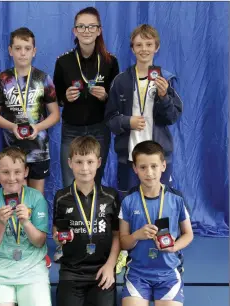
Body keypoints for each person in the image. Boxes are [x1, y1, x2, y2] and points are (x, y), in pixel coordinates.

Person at [105, 24, 183, 196]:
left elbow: (172, 117)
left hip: (158, 157)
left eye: (149, 44)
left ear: (157, 47)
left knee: (160, 204)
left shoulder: (166, 78)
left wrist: (164, 98)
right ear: (132, 49)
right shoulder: (121, 81)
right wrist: (127, 121)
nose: (144, 49)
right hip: (129, 157)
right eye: (139, 45)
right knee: (128, 204)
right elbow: (109, 118)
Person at [119, 140, 193, 306]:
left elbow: (188, 234)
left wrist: (175, 246)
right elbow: (123, 242)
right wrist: (137, 235)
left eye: (154, 166)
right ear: (135, 169)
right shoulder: (128, 201)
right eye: (143, 167)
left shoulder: (176, 200)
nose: (149, 172)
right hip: (137, 274)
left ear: (163, 166)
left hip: (168, 273)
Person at [53, 6, 119, 187]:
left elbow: (117, 100)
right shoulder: (63, 61)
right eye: (81, 26)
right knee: (69, 180)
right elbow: (55, 97)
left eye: (91, 26)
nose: (86, 31)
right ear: (75, 30)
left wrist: (105, 96)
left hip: (99, 128)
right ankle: (71, 216)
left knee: (94, 179)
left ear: (99, 30)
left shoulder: (110, 61)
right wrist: (64, 96)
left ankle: (92, 215)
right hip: (71, 129)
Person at [0, 27, 60, 194]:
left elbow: (55, 114)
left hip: (38, 150)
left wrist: (38, 127)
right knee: (15, 199)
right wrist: (12, 127)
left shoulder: (43, 78)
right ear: (10, 51)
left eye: (27, 49)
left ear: (34, 51)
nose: (22, 53)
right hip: (12, 152)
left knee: (36, 199)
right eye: (18, 48)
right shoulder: (2, 79)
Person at [53, 136, 120, 306]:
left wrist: (110, 266)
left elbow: (117, 236)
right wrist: (58, 237)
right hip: (71, 271)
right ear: (70, 163)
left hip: (102, 269)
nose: (84, 168)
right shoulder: (61, 197)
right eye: (79, 162)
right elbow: (57, 231)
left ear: (98, 162)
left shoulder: (110, 196)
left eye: (89, 162)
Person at [0, 147, 51, 306]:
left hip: (32, 271)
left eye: (17, 172)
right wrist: (1, 223)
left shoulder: (36, 198)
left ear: (26, 172)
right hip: (0, 272)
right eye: (5, 172)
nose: (12, 178)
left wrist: (26, 222)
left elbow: (39, 242)